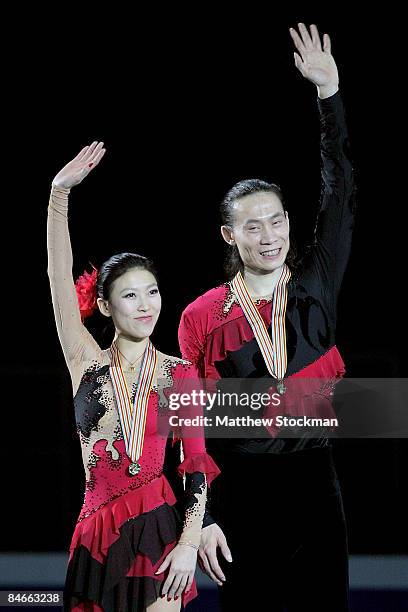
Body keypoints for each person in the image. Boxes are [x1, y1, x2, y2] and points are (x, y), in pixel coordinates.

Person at [178, 23, 355, 611]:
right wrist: (199, 518)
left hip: (314, 481)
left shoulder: (316, 280)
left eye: (277, 220)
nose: (270, 235)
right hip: (242, 490)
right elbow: (192, 423)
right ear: (231, 235)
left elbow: (341, 194)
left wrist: (329, 97)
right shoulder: (202, 315)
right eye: (252, 226)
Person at [47, 141, 221, 612]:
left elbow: (196, 466)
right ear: (105, 305)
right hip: (95, 528)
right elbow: (59, 280)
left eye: (152, 292)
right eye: (130, 296)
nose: (146, 305)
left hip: (159, 528)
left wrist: (188, 543)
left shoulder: (180, 374)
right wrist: (58, 195)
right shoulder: (85, 362)